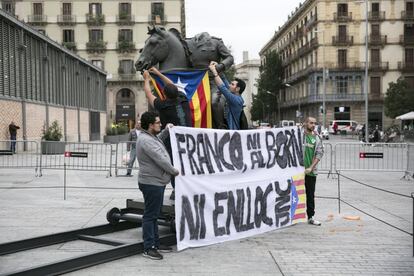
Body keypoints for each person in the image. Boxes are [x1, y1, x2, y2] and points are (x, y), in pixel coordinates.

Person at [143, 67, 192, 200]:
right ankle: (186, 189)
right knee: (186, 165)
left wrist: (147, 79)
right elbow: (171, 85)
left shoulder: (163, 105)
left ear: (164, 95)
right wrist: (159, 73)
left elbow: (148, 94)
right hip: (188, 140)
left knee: (173, 167)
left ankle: (178, 190)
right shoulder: (184, 99)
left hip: (172, 142)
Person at [136, 111, 179, 260]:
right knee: (150, 215)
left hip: (156, 182)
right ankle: (149, 248)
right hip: (151, 183)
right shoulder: (146, 140)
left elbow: (158, 140)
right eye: (158, 123)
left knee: (154, 214)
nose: (160, 124)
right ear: (150, 125)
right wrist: (174, 171)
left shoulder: (150, 137)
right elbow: (160, 159)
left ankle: (156, 243)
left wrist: (166, 130)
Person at [208, 61, 245, 130]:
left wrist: (214, 71)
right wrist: (218, 67)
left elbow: (223, 88)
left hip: (232, 133)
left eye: (232, 84)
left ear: (237, 89)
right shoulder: (235, 96)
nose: (229, 85)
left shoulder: (237, 100)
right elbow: (224, 81)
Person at [302, 117, 324, 226]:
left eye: (314, 123)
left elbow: (319, 154)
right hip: (298, 172)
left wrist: (311, 167)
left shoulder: (317, 138)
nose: (313, 125)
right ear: (306, 123)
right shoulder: (300, 135)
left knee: (310, 195)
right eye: (311, 123)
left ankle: (310, 217)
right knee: (294, 194)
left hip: (310, 172)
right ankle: (291, 217)